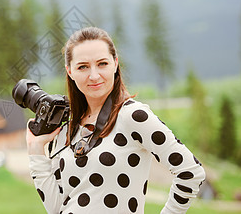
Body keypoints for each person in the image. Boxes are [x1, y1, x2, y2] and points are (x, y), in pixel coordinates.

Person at [26, 26, 206, 213]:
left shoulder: (133, 116)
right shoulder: (68, 127)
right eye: (83, 67)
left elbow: (191, 172)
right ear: (70, 71)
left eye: (102, 63)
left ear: (115, 63)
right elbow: (57, 208)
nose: (94, 75)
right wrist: (35, 149)